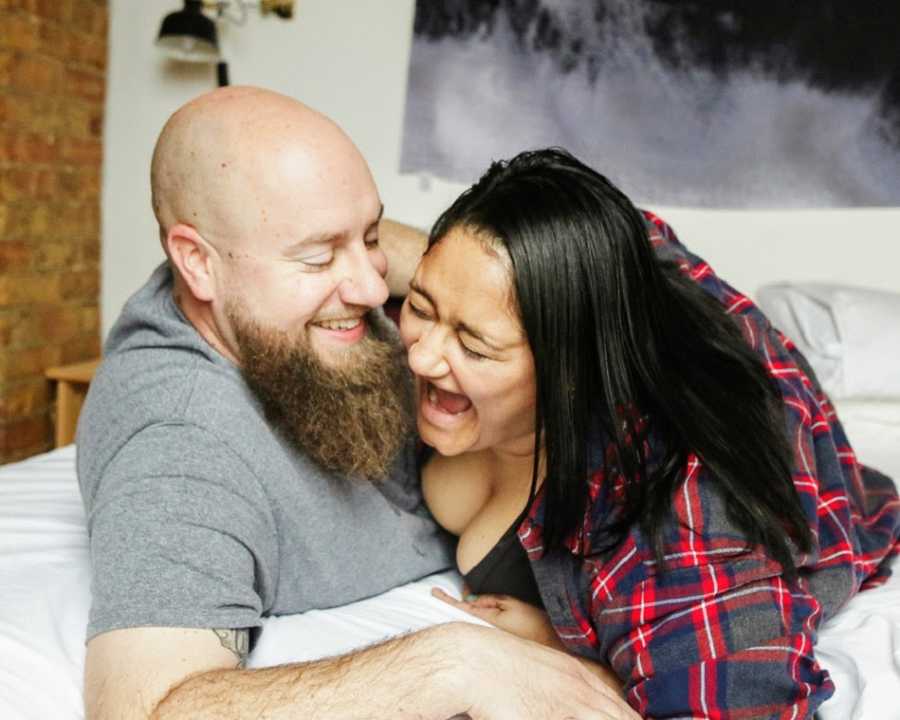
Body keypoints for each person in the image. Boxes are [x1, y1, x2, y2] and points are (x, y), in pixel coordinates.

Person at [77, 89, 639, 720]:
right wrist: (456, 665)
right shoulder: (181, 444)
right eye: (318, 256)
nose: (374, 288)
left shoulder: (278, 288)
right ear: (196, 263)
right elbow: (146, 710)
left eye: (369, 236)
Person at [401, 148, 900, 719]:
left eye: (473, 345)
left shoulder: (681, 523)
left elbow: (738, 702)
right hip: (657, 284)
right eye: (421, 305)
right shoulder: (560, 254)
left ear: (570, 370)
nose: (421, 357)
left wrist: (580, 660)